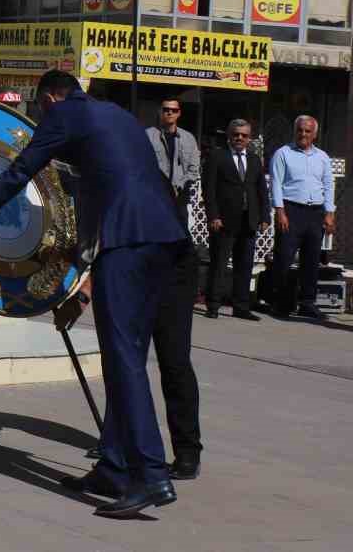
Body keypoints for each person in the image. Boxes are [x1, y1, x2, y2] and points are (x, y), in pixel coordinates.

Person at [0, 70, 188, 519]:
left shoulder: (64, 114)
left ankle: (151, 474)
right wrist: (80, 280)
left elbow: (18, 174)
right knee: (128, 356)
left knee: (123, 360)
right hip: (165, 240)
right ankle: (115, 466)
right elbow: (102, 187)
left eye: (41, 109)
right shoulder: (117, 116)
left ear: (48, 99)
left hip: (128, 241)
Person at [143, 97, 202, 480]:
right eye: (164, 109)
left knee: (175, 363)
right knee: (126, 362)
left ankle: (187, 451)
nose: (169, 115)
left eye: (175, 110)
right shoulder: (147, 140)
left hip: (175, 269)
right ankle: (118, 437)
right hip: (141, 267)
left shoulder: (188, 143)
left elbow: (193, 172)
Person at [268, 115, 334, 320]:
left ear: (314, 134)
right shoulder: (283, 153)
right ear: (295, 131)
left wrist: (330, 212)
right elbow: (276, 183)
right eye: (300, 130)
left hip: (315, 213)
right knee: (284, 258)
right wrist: (280, 211)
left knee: (312, 259)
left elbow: (328, 184)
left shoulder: (322, 157)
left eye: (307, 131)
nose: (303, 134)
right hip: (291, 210)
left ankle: (307, 302)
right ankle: (280, 303)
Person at [202, 119, 268, 321]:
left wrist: (265, 216)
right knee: (219, 264)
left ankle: (241, 306)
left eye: (244, 135)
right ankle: (213, 305)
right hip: (223, 220)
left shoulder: (255, 159)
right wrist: (213, 215)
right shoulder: (217, 156)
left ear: (249, 138)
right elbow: (209, 189)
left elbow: (261, 191)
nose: (240, 138)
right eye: (236, 134)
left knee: (245, 264)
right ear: (229, 136)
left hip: (248, 220)